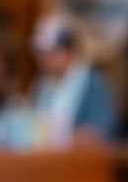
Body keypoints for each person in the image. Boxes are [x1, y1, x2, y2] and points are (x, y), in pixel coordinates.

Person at [30, 15, 118, 146]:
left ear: (68, 51)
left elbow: (101, 132)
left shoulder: (92, 82)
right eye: (40, 53)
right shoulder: (41, 85)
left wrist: (60, 137)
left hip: (79, 163)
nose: (43, 59)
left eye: (50, 52)